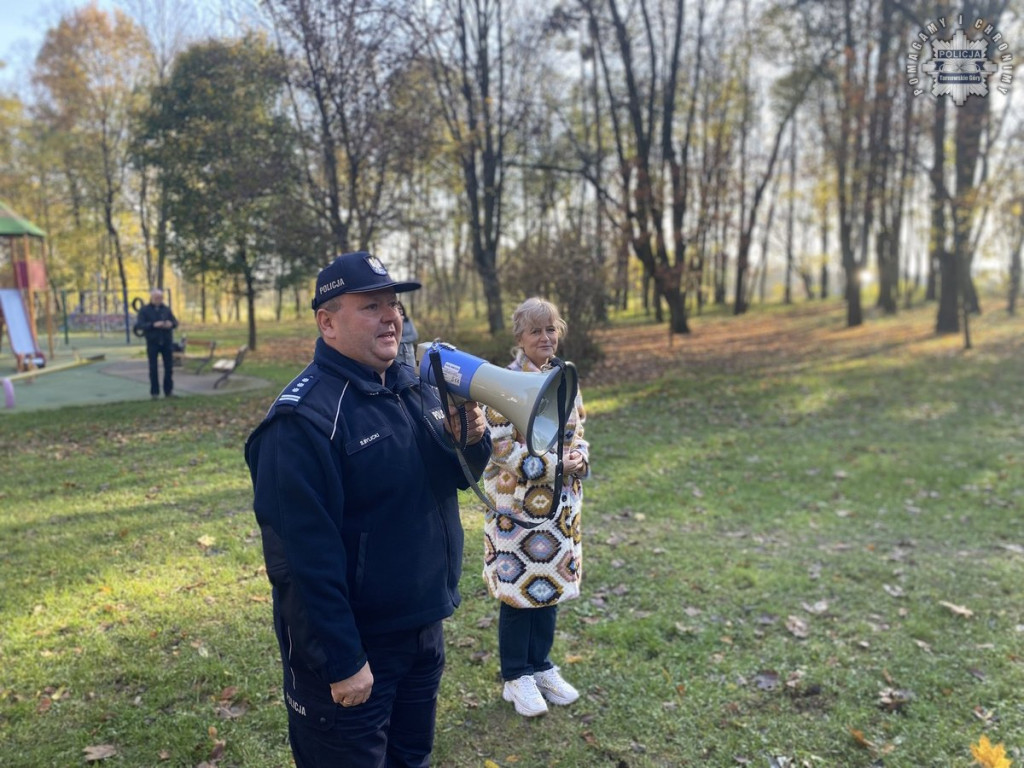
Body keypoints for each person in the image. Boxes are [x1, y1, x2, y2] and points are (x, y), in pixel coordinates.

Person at [244, 250, 491, 768]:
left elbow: (447, 480)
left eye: (394, 305)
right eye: (371, 306)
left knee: (412, 759)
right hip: (355, 654)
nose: (391, 317)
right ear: (327, 323)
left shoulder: (413, 386)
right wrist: (342, 661)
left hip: (422, 631)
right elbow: (299, 561)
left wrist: (469, 443)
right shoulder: (301, 422)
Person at [480, 297, 591, 717]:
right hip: (517, 512)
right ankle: (515, 676)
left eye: (551, 329)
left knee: (548, 586)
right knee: (518, 592)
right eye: (536, 331)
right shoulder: (500, 382)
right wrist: (555, 465)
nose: (545, 338)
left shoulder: (566, 377)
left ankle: (541, 666)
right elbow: (501, 447)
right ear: (519, 338)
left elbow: (578, 430)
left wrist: (579, 457)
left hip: (560, 509)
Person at [135, 288, 178, 398]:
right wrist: (153, 325)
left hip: (167, 341)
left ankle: (168, 391)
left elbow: (175, 322)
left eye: (160, 298)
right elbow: (140, 325)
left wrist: (171, 324)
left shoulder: (166, 309)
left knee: (169, 367)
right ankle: (155, 392)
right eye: (156, 298)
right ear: (152, 298)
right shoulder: (145, 310)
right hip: (152, 342)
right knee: (153, 368)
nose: (159, 300)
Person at [396, 301, 418, 369]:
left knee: (411, 373)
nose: (400, 310)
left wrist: (401, 339)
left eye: (401, 308)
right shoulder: (391, 322)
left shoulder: (408, 321)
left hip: (409, 353)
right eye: (398, 309)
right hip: (397, 355)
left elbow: (414, 336)